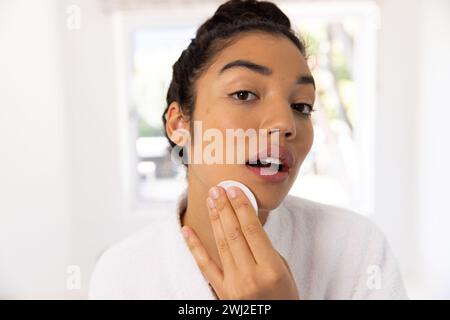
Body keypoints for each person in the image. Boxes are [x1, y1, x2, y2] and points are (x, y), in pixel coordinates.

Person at [89, 0, 408, 299]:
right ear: (179, 125)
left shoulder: (358, 249)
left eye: (301, 105)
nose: (286, 123)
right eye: (243, 94)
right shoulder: (121, 273)